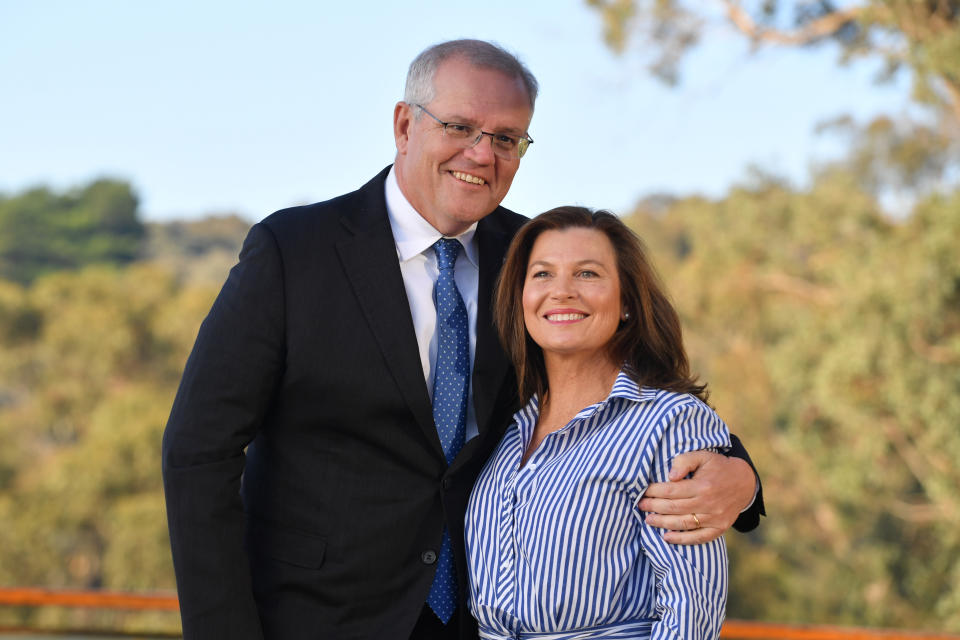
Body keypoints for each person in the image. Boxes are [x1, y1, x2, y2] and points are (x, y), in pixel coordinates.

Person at [162, 40, 763, 640]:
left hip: (477, 625)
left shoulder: (536, 263)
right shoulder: (294, 251)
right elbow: (199, 450)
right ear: (404, 125)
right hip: (313, 619)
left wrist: (742, 477)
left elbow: (630, 399)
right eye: (459, 126)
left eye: (507, 138)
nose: (482, 153)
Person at [467, 206, 731, 639]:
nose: (562, 291)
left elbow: (690, 610)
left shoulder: (669, 423)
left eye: (587, 274)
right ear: (521, 298)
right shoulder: (507, 428)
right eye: (542, 274)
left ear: (626, 301)